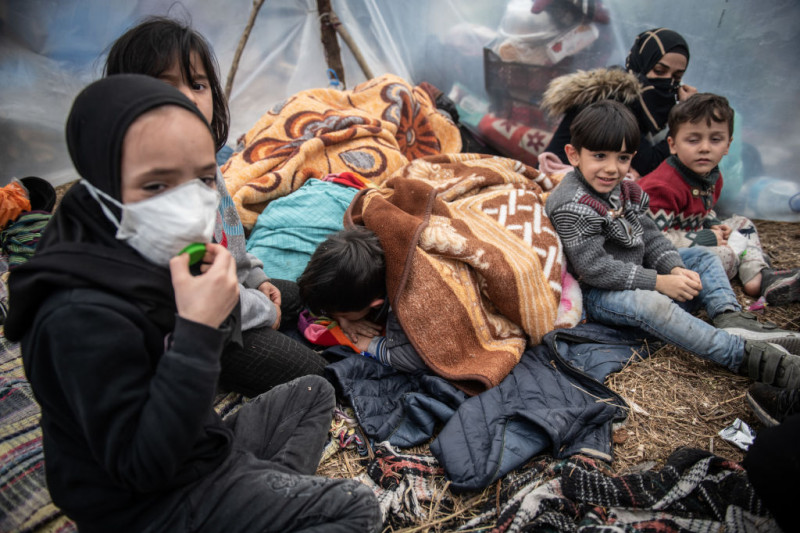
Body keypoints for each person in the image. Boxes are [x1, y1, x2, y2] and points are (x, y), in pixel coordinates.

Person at [4, 75, 381, 533]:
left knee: (313, 391)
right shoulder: (76, 314)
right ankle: (256, 502)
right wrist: (199, 329)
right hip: (148, 503)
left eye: (202, 178)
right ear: (102, 183)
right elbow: (142, 467)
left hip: (197, 447)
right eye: (156, 184)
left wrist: (233, 299)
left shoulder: (133, 242)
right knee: (356, 508)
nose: (187, 201)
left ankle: (259, 499)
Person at [105, 16, 329, 396]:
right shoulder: (152, 193)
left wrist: (258, 280)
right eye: (166, 85)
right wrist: (263, 311)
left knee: (304, 292)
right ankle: (212, 378)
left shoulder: (203, 162)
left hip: (223, 303)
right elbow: (203, 296)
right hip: (186, 331)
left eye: (197, 84)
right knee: (317, 376)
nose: (189, 97)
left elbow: (231, 237)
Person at [544, 100, 800, 389]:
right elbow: (595, 269)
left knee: (702, 257)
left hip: (637, 270)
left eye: (623, 158)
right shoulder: (572, 205)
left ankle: (730, 317)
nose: (612, 168)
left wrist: (674, 268)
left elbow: (651, 236)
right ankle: (742, 355)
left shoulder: (625, 189)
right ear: (573, 155)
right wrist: (658, 282)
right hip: (601, 294)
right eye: (600, 156)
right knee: (651, 304)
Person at [639, 93, 800, 306]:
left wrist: (713, 224)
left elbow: (704, 209)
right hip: (661, 258)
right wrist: (706, 238)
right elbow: (652, 241)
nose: (705, 147)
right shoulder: (662, 187)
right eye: (693, 140)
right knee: (725, 253)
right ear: (673, 144)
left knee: (743, 224)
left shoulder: (711, 175)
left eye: (715, 139)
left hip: (690, 236)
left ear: (728, 145)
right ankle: (748, 267)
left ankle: (758, 276)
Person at [542, 27, 698, 177]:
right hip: (559, 179)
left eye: (676, 77)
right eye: (659, 71)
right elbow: (650, 164)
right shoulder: (613, 103)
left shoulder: (642, 104)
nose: (667, 81)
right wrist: (684, 116)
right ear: (641, 63)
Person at [297, 226, 427, 373]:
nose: (337, 318)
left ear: (376, 304)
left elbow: (417, 359)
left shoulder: (407, 302)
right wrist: (343, 319)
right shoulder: (359, 247)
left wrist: (368, 343)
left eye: (343, 314)